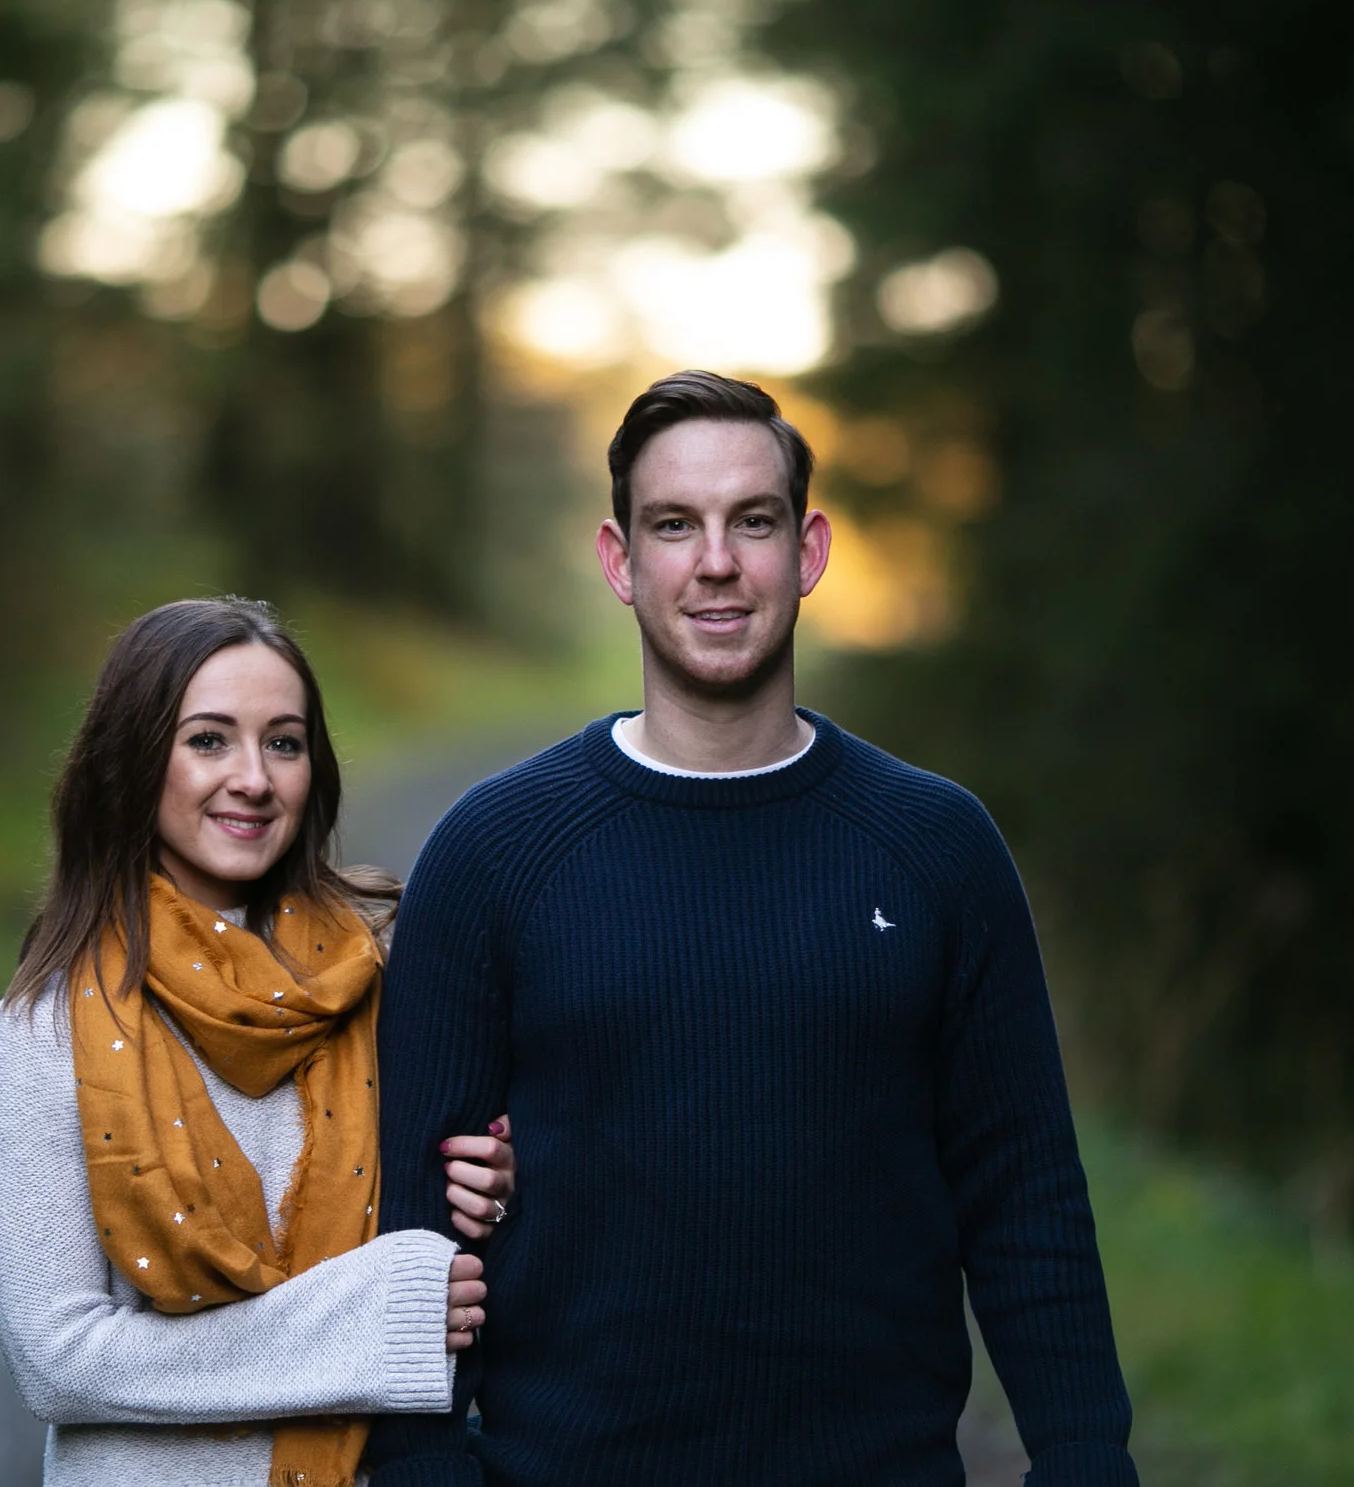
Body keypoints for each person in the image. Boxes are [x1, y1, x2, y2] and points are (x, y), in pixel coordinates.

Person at [366, 372, 1140, 1486]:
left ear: (810, 551)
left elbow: (1023, 1191)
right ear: (620, 560)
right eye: (674, 524)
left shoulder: (937, 849)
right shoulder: (494, 853)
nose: (715, 561)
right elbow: (414, 1226)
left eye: (754, 521)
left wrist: (1083, 1458)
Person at [0, 597, 517, 1487]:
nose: (254, 779)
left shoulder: (381, 980)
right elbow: (58, 1359)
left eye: (285, 743)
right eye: (210, 740)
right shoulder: (43, 1031)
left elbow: (455, 1262)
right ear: (136, 761)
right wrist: (367, 1323)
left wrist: (495, 1193)